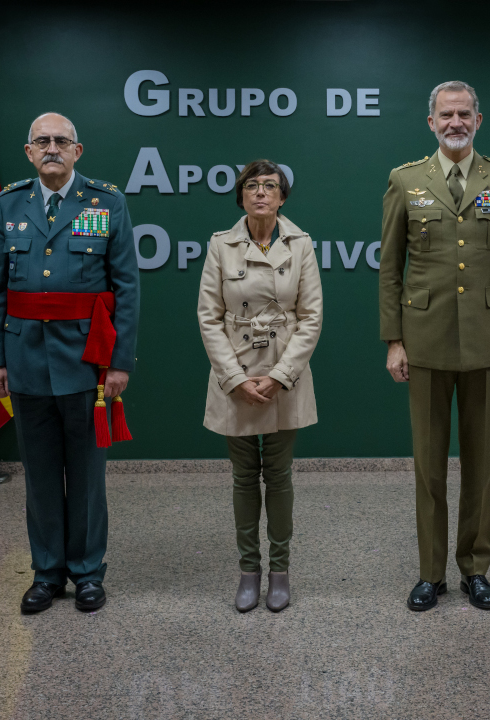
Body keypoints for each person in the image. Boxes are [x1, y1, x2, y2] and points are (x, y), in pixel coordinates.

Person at [379, 81, 490, 611]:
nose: (455, 122)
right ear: (431, 122)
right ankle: (430, 573)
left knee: (481, 463)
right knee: (428, 464)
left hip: (489, 341)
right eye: (446, 115)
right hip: (423, 340)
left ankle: (475, 568)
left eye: (464, 114)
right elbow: (390, 269)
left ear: (478, 119)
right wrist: (394, 340)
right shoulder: (405, 180)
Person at [0, 112, 140, 614]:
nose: (52, 148)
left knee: (88, 474)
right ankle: (47, 572)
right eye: (42, 141)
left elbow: (127, 288)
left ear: (78, 151)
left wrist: (119, 362)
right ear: (29, 152)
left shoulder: (105, 202)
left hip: (86, 361)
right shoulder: (9, 204)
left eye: (61, 141)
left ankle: (88, 572)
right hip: (25, 356)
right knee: (41, 473)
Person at [196, 160, 323, 613]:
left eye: (270, 186)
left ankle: (281, 570)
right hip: (236, 376)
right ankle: (249, 570)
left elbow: (310, 318)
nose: (261, 193)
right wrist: (234, 379)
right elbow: (208, 317)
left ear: (282, 197)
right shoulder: (220, 246)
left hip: (283, 376)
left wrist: (279, 376)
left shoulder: (301, 244)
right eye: (252, 186)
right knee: (245, 477)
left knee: (281, 476)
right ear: (242, 197)